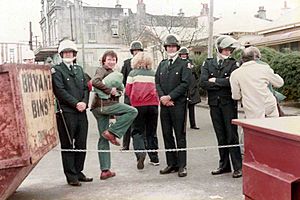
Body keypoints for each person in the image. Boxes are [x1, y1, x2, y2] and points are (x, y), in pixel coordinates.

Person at [200, 35, 242, 178]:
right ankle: (224, 165)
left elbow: (232, 82)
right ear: (219, 49)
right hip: (214, 104)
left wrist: (215, 80)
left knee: (232, 135)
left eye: (230, 50)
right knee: (220, 135)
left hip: (228, 104)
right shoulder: (208, 63)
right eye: (225, 49)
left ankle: (238, 166)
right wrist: (222, 81)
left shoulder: (233, 64)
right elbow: (203, 83)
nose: (228, 52)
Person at [51, 39, 93, 186]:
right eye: (66, 52)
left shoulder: (79, 70)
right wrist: (76, 104)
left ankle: (79, 171)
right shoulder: (57, 70)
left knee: (81, 143)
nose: (69, 54)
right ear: (61, 54)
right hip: (66, 112)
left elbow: (85, 88)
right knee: (68, 144)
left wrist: (84, 103)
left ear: (75, 54)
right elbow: (60, 91)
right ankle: (71, 176)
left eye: (71, 52)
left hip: (81, 112)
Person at [91, 50, 138, 180]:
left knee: (103, 138)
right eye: (109, 59)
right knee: (132, 111)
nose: (111, 62)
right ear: (104, 61)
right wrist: (109, 90)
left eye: (113, 60)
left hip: (98, 107)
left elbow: (115, 92)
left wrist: (117, 92)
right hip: (103, 106)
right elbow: (94, 81)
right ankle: (113, 132)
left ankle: (105, 170)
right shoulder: (101, 70)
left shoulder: (112, 74)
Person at [155, 34, 191, 177]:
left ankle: (182, 165)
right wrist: (163, 98)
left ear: (177, 47)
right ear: (165, 48)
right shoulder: (162, 64)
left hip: (178, 104)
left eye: (173, 46)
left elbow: (185, 83)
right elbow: (157, 82)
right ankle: (171, 163)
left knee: (179, 134)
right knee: (166, 134)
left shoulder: (184, 64)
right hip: (164, 105)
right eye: (169, 46)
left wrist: (170, 96)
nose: (171, 48)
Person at [125, 52, 160, 169]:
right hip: (153, 105)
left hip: (138, 105)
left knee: (137, 131)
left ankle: (140, 153)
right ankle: (154, 157)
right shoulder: (154, 74)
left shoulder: (132, 74)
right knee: (152, 131)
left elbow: (128, 91)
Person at [230, 46, 284, 118]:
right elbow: (279, 83)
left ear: (242, 59)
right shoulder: (264, 68)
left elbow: (236, 96)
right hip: (268, 104)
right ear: (257, 57)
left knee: (253, 128)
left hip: (251, 107)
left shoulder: (235, 73)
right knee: (272, 126)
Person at [120, 41, 144, 150]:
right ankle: (125, 144)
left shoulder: (145, 63)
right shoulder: (126, 63)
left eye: (138, 51)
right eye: (135, 51)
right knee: (128, 120)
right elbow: (122, 79)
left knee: (140, 121)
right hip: (129, 96)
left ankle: (140, 144)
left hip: (141, 97)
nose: (136, 53)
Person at [178, 47, 201, 130]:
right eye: (182, 54)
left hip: (191, 89)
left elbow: (195, 75)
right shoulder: (178, 64)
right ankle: (181, 125)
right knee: (182, 110)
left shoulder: (190, 63)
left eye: (185, 54)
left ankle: (193, 124)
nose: (184, 56)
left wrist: (195, 85)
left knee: (191, 108)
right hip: (182, 90)